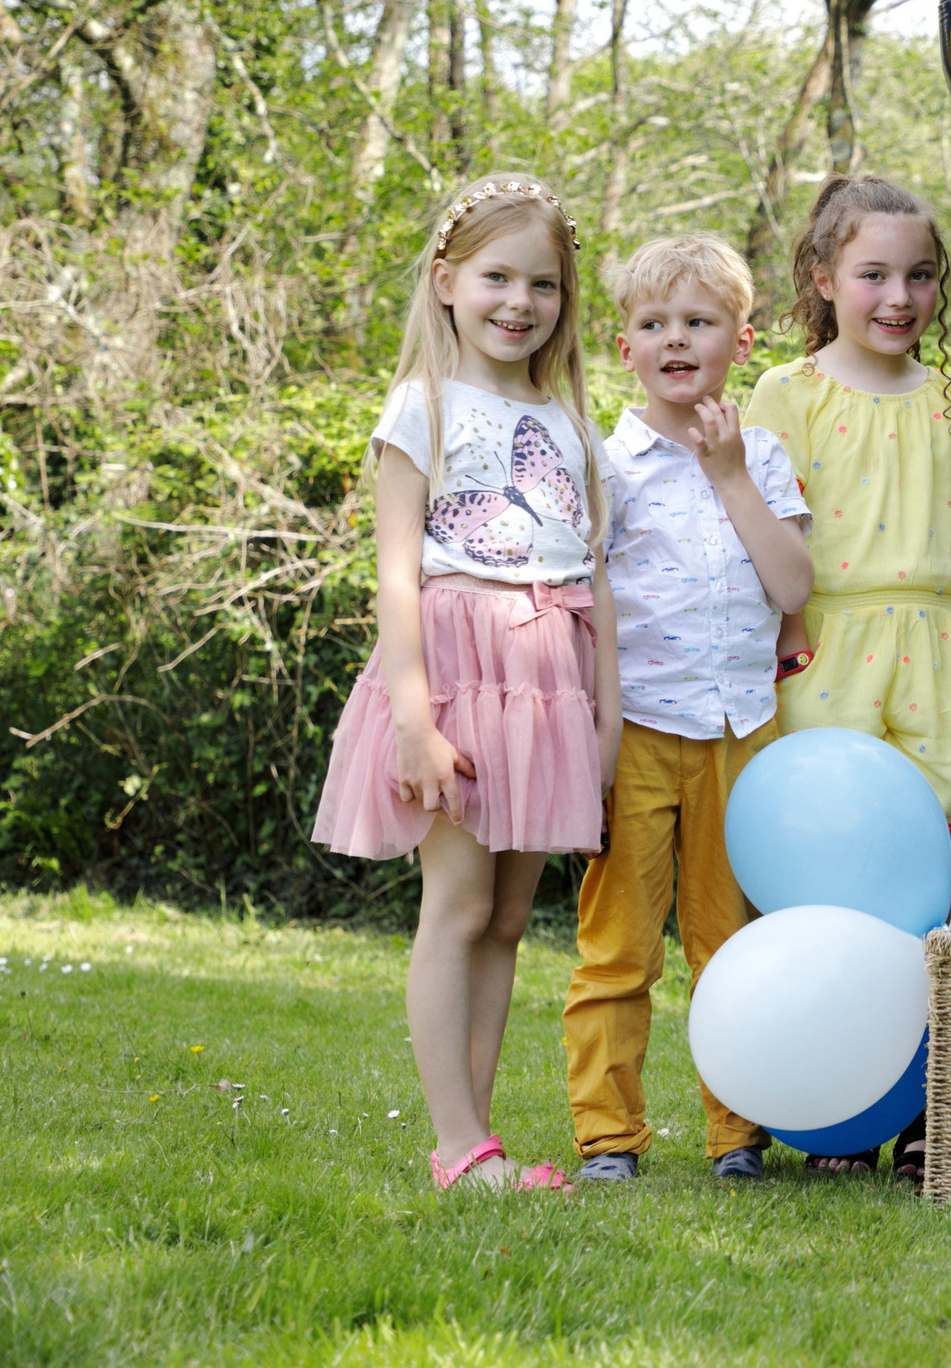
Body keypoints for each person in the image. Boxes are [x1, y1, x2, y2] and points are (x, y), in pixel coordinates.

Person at [312, 173, 616, 1194]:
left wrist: (605, 722)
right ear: (446, 280)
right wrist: (413, 718)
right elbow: (397, 572)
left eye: (544, 285)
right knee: (457, 903)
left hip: (545, 679)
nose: (519, 302)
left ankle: (474, 1145)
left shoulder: (575, 421)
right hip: (454, 672)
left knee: (503, 920)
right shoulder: (422, 405)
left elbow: (593, 579)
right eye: (496, 277)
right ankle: (456, 1144)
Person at [745, 174, 951, 1181]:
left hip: (935, 655)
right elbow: (767, 533)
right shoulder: (788, 393)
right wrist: (786, 634)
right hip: (829, 650)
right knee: (829, 887)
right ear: (824, 278)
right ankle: (836, 1111)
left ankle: (923, 1116)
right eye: (872, 275)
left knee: (925, 902)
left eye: (920, 276)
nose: (898, 297)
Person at [565, 237, 814, 1185]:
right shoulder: (607, 461)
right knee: (618, 946)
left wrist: (730, 474)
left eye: (699, 322)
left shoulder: (764, 457)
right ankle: (608, 1136)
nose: (676, 339)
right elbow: (591, 604)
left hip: (737, 731)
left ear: (740, 342)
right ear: (623, 345)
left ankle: (736, 1132)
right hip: (635, 733)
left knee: (731, 945)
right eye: (654, 323)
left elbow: (793, 582)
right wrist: (595, 733)